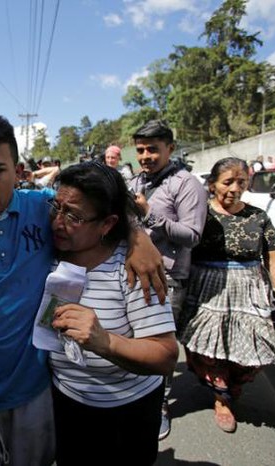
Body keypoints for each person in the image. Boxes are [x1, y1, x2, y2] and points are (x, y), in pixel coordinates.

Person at [0, 112, 167, 465]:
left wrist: (137, 235)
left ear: (18, 170)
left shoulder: (44, 208)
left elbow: (101, 202)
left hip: (37, 390)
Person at [47, 161, 178, 465]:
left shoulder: (133, 268)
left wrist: (104, 341)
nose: (57, 222)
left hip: (126, 413)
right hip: (65, 402)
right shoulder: (48, 248)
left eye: (74, 216)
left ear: (106, 224)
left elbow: (166, 355)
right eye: (56, 207)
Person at [178, 157, 275, 433]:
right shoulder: (199, 216)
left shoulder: (258, 217)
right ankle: (221, 398)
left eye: (242, 182)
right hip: (206, 292)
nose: (235, 188)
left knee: (247, 357)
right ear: (211, 185)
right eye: (227, 182)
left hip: (249, 292)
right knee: (208, 352)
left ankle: (232, 388)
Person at [129, 119, 207, 440]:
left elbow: (192, 236)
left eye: (152, 149)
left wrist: (151, 215)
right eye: (141, 150)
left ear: (170, 148)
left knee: (160, 347)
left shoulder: (187, 184)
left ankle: (159, 405)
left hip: (168, 279)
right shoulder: (135, 181)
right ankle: (135, 397)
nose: (146, 156)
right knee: (134, 343)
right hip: (132, 274)